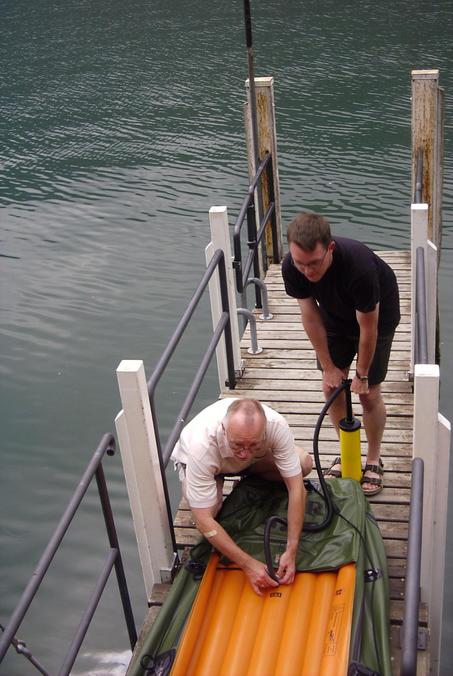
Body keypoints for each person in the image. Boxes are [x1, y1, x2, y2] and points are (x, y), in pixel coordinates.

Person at [281, 212, 400, 496]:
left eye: (314, 263)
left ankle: (373, 458)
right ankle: (347, 454)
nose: (307, 272)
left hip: (377, 319)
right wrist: (329, 366)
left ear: (330, 248)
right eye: (300, 264)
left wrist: (362, 374)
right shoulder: (292, 267)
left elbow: (368, 328)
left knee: (368, 393)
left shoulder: (359, 268)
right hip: (334, 316)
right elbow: (310, 315)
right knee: (331, 387)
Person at [171, 397, 312, 595]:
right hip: (209, 465)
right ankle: (222, 483)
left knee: (304, 464)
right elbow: (203, 520)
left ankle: (248, 475)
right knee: (211, 512)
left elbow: (297, 489)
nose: (245, 453)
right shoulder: (201, 446)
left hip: (251, 463)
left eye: (253, 444)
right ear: (224, 429)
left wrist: (292, 547)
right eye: (238, 445)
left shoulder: (276, 426)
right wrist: (248, 564)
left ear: (264, 432)